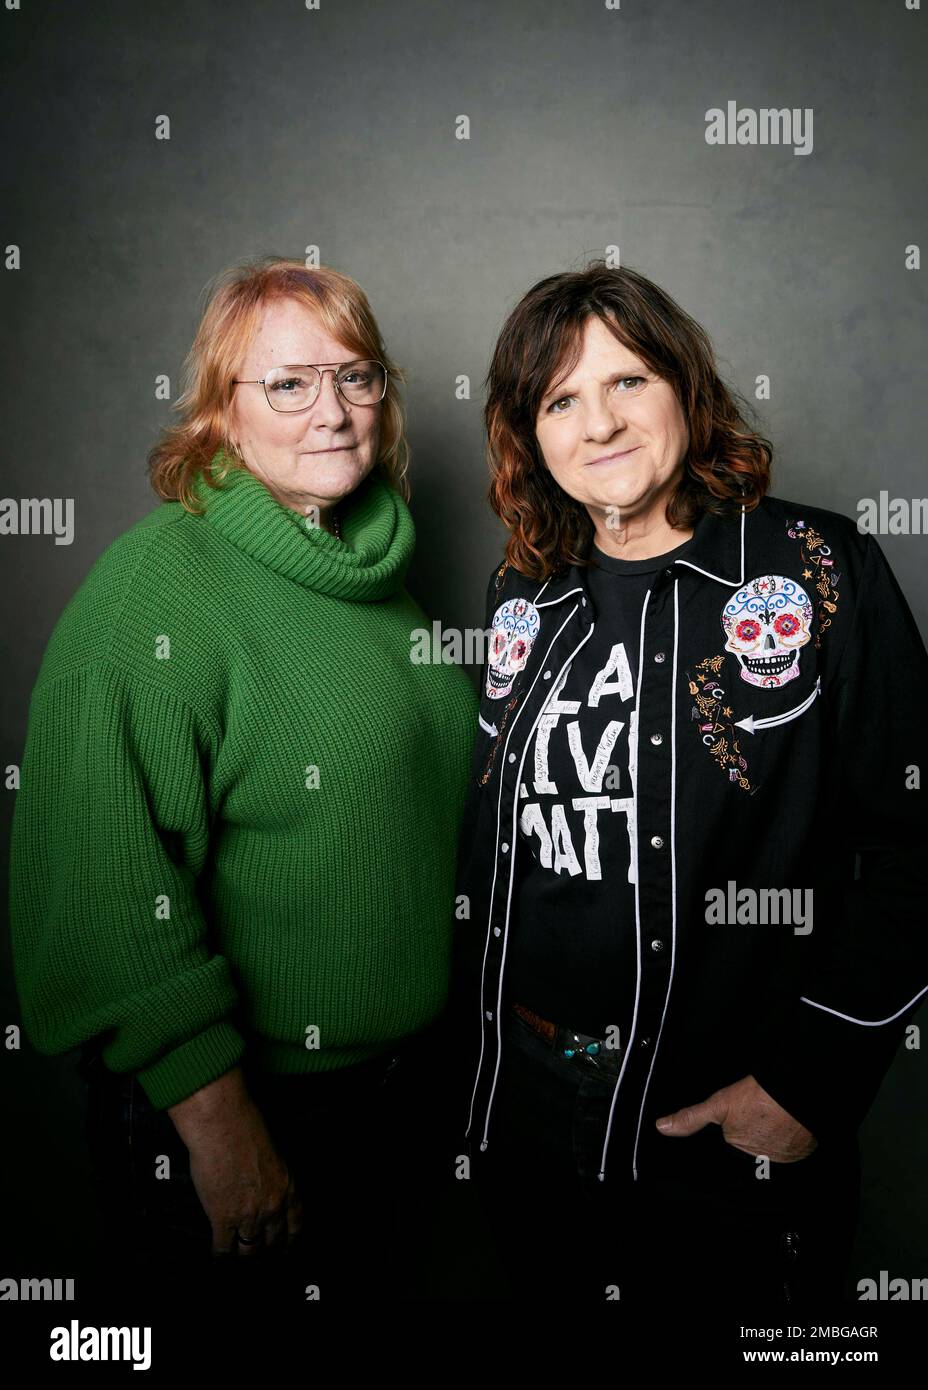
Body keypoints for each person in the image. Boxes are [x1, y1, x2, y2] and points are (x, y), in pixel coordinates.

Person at [450, 260, 928, 1304]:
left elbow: (916, 837)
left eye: (628, 381)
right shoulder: (523, 589)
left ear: (685, 385)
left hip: (724, 1121)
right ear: (529, 434)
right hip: (526, 1105)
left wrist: (809, 1082)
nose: (599, 422)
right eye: (560, 399)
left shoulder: (812, 567)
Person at [9, 256, 477, 1304]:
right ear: (220, 413)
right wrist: (221, 1130)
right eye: (289, 384)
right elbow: (103, 898)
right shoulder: (153, 595)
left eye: (357, 377)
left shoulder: (371, 572)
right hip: (240, 1108)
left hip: (395, 1100)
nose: (334, 411)